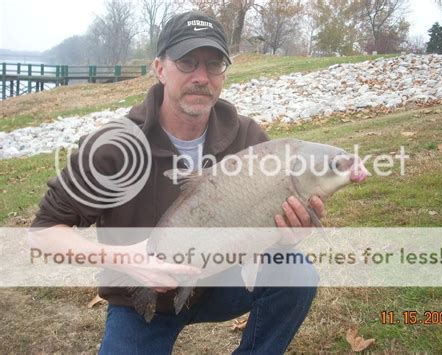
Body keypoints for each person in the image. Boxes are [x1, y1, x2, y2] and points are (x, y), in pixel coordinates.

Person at [30, 11, 325, 354]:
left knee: (296, 273)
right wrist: (128, 261)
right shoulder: (113, 146)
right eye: (187, 62)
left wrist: (287, 234)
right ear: (159, 68)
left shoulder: (247, 137)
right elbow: (44, 231)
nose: (202, 76)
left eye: (214, 64)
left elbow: (268, 232)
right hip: (140, 299)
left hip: (220, 282)